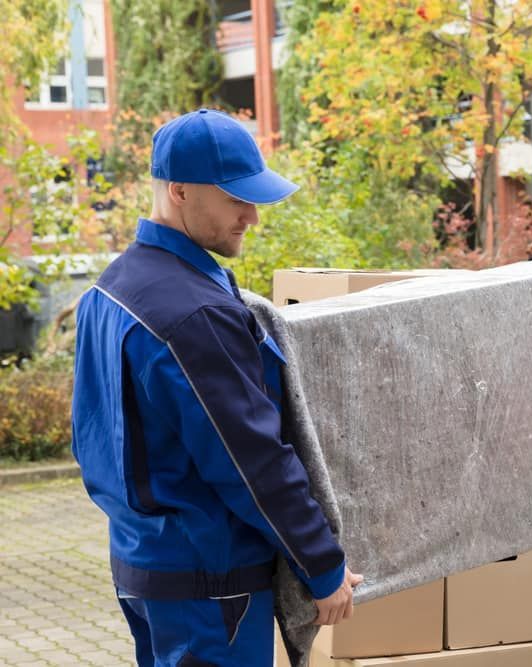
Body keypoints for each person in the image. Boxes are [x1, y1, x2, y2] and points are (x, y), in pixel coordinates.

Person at [72, 109, 362, 666]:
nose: (252, 216)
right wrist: (322, 566)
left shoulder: (110, 290)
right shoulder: (191, 314)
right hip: (208, 583)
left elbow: (89, 443)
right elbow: (252, 462)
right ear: (179, 191)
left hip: (146, 568)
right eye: (236, 199)